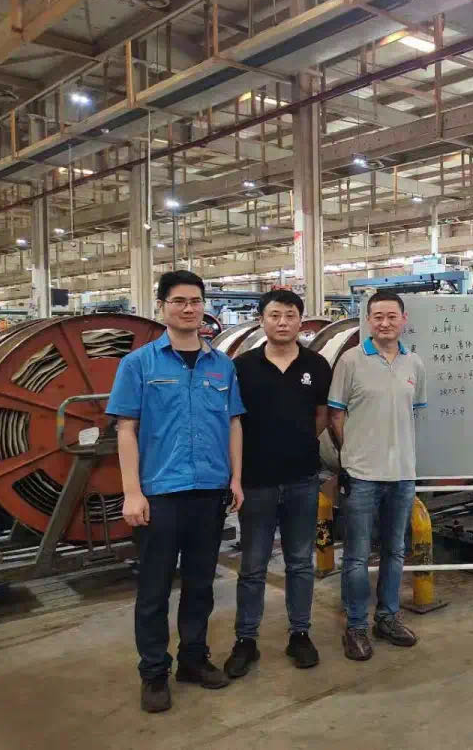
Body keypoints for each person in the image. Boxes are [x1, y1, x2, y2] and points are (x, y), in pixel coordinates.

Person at [107, 270, 246, 713]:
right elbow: (126, 430)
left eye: (196, 301)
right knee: (154, 590)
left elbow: (233, 423)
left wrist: (235, 479)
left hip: (209, 491)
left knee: (201, 585)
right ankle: (153, 672)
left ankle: (193, 659)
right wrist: (132, 492)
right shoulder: (139, 364)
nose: (189, 309)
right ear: (162, 307)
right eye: (179, 301)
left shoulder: (221, 365)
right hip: (160, 494)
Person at [223, 289, 332, 678]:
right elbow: (234, 421)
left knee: (300, 562)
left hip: (303, 480)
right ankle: (245, 640)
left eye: (289, 315)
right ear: (262, 320)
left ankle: (299, 633)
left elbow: (321, 415)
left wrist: (297, 443)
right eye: (274, 315)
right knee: (252, 565)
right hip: (257, 483)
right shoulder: (242, 366)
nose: (282, 322)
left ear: (300, 320)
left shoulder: (316, 365)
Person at [328, 290, 426, 661]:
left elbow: (414, 413)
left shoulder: (414, 364)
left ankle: (387, 618)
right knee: (356, 556)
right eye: (377, 317)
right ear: (369, 321)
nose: (384, 323)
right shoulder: (350, 361)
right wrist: (353, 453)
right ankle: (356, 626)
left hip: (402, 475)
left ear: (403, 320)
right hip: (362, 476)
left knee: (395, 550)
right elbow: (336, 415)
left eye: (391, 316)